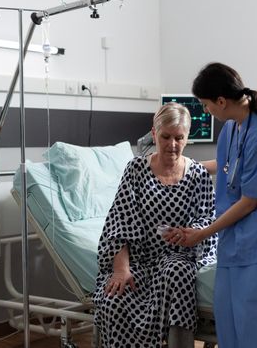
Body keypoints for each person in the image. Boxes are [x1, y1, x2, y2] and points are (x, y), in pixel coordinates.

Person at [171, 62, 257, 348]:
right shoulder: (233, 129)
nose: (206, 111)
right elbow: (226, 166)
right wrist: (185, 166)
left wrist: (201, 233)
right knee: (229, 318)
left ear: (221, 101)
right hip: (238, 233)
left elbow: (250, 201)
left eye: (205, 105)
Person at [93, 102, 218, 348]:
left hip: (178, 258)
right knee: (113, 299)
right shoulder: (136, 170)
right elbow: (119, 221)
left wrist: (188, 234)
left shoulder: (198, 176)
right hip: (138, 261)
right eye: (166, 137)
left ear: (187, 138)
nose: (173, 144)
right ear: (154, 133)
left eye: (179, 138)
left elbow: (207, 221)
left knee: (177, 273)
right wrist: (121, 269)